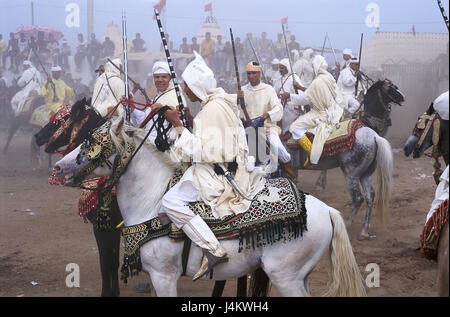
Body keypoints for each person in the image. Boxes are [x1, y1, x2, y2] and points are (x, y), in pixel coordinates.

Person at [161, 52, 266, 281]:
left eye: (187, 86)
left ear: (197, 86)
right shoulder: (214, 105)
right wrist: (188, 121)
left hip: (219, 174)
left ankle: (212, 248)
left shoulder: (211, 110)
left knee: (170, 201)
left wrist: (177, 124)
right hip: (223, 166)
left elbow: (205, 152)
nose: (185, 91)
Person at [237, 61, 296, 179]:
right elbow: (236, 111)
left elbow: (278, 107)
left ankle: (287, 164)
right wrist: (237, 101)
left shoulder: (268, 89)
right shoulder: (242, 91)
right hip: (247, 129)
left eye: (254, 73)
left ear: (259, 74)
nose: (251, 76)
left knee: (276, 145)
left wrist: (267, 114)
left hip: (267, 127)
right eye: (249, 73)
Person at [288, 55, 345, 165]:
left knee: (294, 127)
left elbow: (304, 99)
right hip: (334, 111)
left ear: (316, 67)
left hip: (320, 114)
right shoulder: (329, 77)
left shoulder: (317, 82)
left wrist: (289, 97)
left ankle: (311, 152)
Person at [132, 60, 188, 128]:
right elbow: (146, 121)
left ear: (171, 79)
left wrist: (163, 110)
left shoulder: (175, 97)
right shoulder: (159, 96)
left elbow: (180, 128)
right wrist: (132, 108)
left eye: (164, 77)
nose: (160, 80)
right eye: (157, 77)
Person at [273, 58, 303, 134]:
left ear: (287, 68)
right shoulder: (279, 80)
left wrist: (289, 96)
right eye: (279, 68)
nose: (280, 70)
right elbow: (274, 92)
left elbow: (301, 94)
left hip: (292, 107)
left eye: (282, 68)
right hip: (282, 107)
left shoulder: (294, 78)